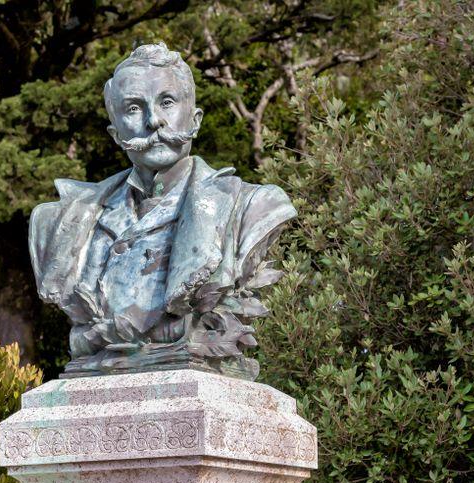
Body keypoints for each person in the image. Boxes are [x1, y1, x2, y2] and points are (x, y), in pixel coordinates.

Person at [29, 43, 296, 379]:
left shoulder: (251, 206)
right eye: (134, 108)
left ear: (195, 119)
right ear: (115, 133)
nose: (154, 120)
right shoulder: (59, 221)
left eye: (167, 102)